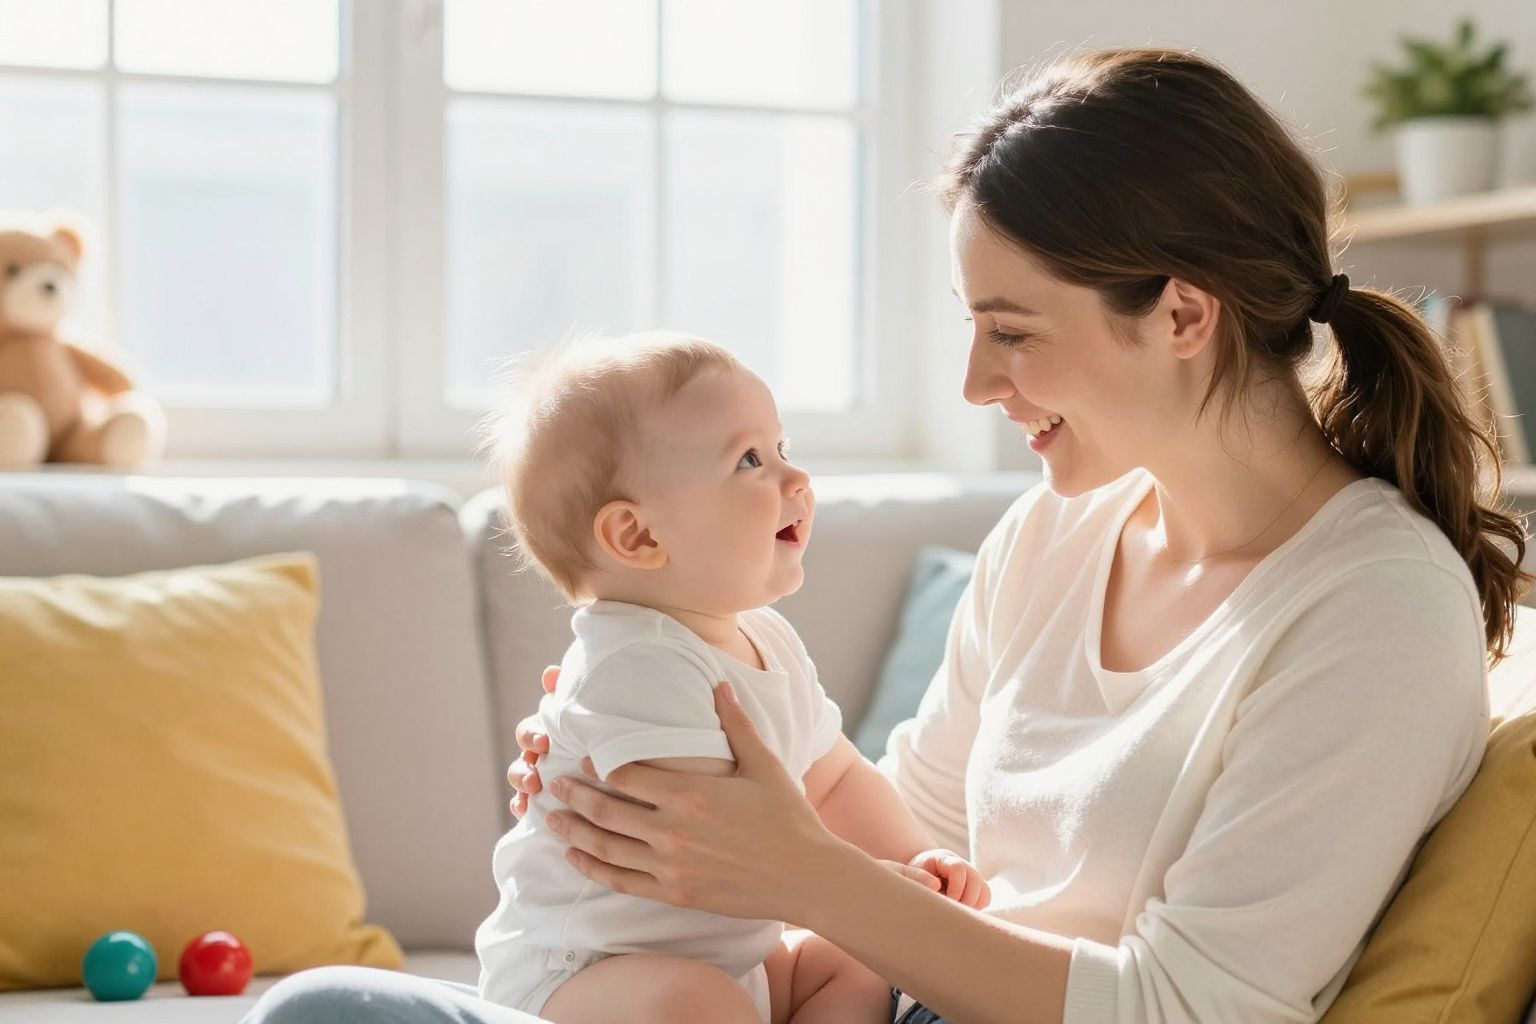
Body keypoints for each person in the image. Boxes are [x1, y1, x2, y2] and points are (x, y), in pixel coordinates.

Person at [242, 46, 1530, 1024]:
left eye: (1013, 330)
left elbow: (1197, 1007)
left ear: (1184, 314)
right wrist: (660, 792)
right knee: (320, 1007)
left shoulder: (1374, 607)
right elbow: (912, 822)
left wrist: (798, 874)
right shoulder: (1054, 535)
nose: (977, 381)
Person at [471, 331, 987, 1023]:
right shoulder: (634, 662)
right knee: (696, 1000)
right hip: (585, 976)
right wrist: (869, 888)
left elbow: (832, 778)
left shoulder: (765, 637)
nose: (794, 479)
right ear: (639, 537)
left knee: (855, 957)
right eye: (750, 460)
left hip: (729, 961)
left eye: (783, 450)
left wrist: (913, 861)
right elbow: (719, 849)